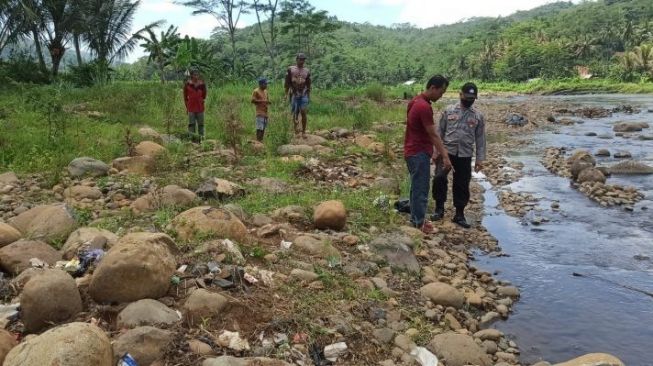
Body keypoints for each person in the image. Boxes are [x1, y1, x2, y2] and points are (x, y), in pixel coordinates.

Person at [431, 82, 486, 228]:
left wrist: (480, 159)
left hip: (465, 154)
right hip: (446, 152)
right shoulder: (448, 111)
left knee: (462, 183)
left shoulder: (477, 116)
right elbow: (439, 132)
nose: (469, 100)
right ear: (460, 94)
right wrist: (436, 151)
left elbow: (480, 139)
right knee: (439, 179)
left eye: (472, 98)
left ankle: (459, 214)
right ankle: (439, 209)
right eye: (467, 97)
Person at [404, 75, 452, 234]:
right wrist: (445, 155)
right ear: (433, 88)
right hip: (418, 152)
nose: (441, 95)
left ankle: (415, 218)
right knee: (421, 188)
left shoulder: (414, 101)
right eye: (441, 92)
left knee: (415, 186)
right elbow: (433, 134)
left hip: (411, 151)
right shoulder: (424, 107)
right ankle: (419, 223)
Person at [284, 53, 311, 137]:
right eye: (300, 59)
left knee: (303, 111)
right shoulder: (291, 69)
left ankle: (303, 131)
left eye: (303, 59)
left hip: (304, 93)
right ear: (297, 60)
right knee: (295, 112)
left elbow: (309, 83)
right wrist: (286, 93)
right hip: (294, 93)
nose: (302, 61)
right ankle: (295, 128)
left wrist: (309, 94)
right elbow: (287, 82)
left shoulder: (306, 71)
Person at [183, 68, 207, 141]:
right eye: (194, 75)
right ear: (191, 76)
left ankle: (201, 139)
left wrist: (200, 100)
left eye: (197, 75)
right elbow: (185, 97)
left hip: (200, 108)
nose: (196, 76)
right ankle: (192, 140)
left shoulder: (202, 85)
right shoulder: (187, 84)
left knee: (201, 125)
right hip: (191, 108)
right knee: (191, 124)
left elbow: (204, 95)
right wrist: (187, 107)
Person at [251, 77, 270, 142]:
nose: (266, 85)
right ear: (261, 84)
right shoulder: (256, 91)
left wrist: (267, 102)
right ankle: (258, 141)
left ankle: (260, 141)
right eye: (265, 84)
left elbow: (266, 100)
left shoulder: (266, 91)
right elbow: (253, 100)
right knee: (259, 128)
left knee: (263, 128)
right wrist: (263, 101)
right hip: (259, 112)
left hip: (265, 113)